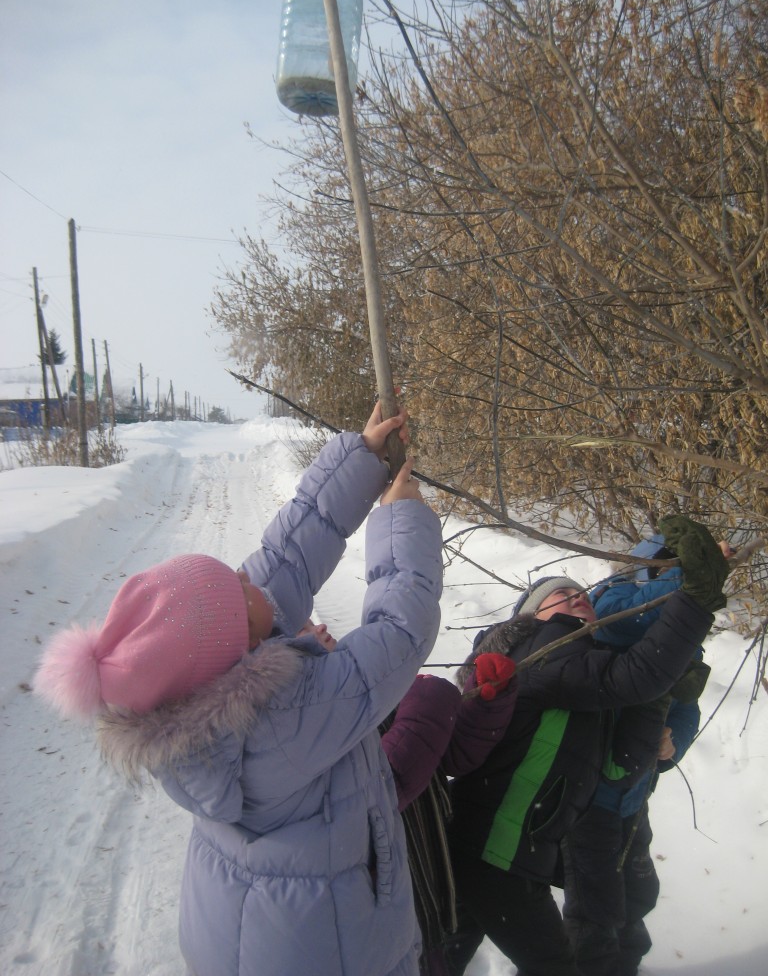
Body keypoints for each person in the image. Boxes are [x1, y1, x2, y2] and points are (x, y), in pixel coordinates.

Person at [34, 403, 445, 976]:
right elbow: (399, 634)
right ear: (243, 642)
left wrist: (361, 460)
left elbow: (285, 558)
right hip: (327, 953)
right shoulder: (283, 720)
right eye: (236, 587)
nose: (246, 575)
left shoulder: (208, 687)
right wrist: (401, 522)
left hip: (241, 936)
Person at [442, 515, 730, 976]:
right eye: (561, 594)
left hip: (505, 848)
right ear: (531, 615)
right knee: (555, 959)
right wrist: (695, 594)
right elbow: (634, 675)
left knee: (445, 948)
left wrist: (663, 704)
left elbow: (621, 764)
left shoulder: (580, 669)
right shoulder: (541, 650)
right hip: (495, 846)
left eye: (580, 593)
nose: (578, 597)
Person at [300, 620, 519, 976]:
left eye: (309, 618)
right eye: (300, 627)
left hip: (429, 889)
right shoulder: (302, 730)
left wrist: (484, 702)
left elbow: (452, 754)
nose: (317, 625)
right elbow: (374, 795)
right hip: (383, 928)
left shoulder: (373, 688)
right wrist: (426, 713)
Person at [560, 533, 731, 976]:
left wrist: (674, 743)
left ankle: (627, 962)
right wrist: (691, 583)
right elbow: (624, 621)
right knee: (595, 909)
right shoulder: (611, 600)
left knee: (637, 893)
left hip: (634, 795)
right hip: (590, 797)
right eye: (666, 568)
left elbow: (686, 708)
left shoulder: (681, 640)